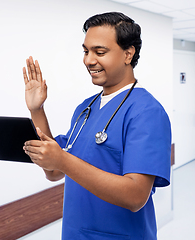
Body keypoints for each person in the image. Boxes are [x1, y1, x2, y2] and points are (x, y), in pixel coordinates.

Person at [23, 12, 171, 240]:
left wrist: (63, 160)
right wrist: (36, 110)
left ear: (128, 54)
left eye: (99, 52)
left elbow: (135, 196)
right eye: (86, 51)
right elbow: (53, 171)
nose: (88, 60)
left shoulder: (147, 112)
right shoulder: (86, 108)